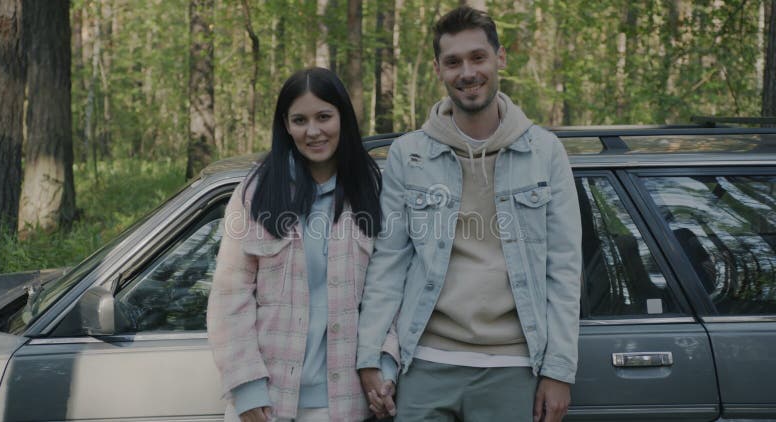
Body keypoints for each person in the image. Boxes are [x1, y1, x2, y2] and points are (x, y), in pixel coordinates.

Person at [356, 6, 582, 422]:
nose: (467, 72)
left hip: (514, 367)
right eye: (453, 61)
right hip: (423, 363)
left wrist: (559, 370)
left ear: (500, 58)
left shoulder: (545, 152)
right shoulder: (410, 155)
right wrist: (371, 356)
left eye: (478, 57)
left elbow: (564, 269)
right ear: (439, 70)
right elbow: (388, 262)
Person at [208, 67, 399, 422]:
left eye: (324, 116)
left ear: (343, 117)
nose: (313, 131)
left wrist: (385, 366)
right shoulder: (255, 192)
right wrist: (246, 389)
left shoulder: (376, 191)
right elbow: (229, 296)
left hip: (347, 404)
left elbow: (391, 290)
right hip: (269, 402)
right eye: (300, 120)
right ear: (285, 125)